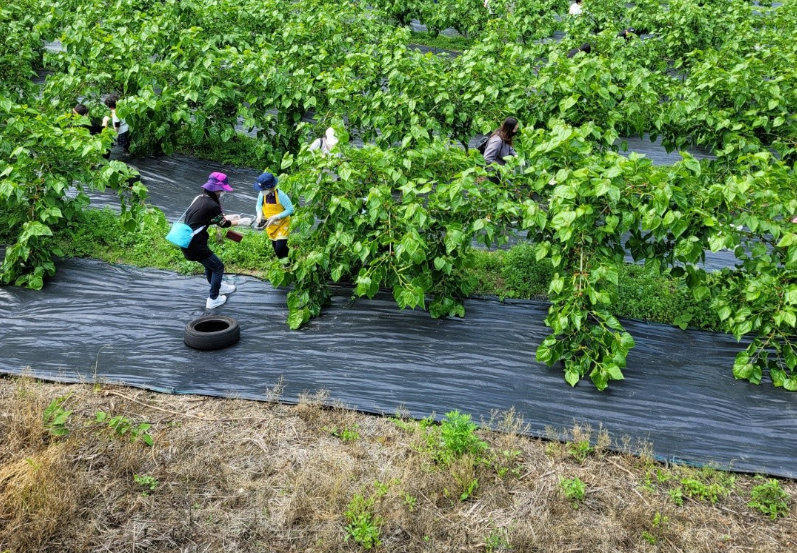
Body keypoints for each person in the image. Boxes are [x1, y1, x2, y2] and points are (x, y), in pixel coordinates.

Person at [181, 172, 238, 309]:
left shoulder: (199, 198)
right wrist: (240, 221)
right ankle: (213, 298)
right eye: (223, 189)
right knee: (218, 267)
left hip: (187, 240)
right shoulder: (213, 205)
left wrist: (230, 218)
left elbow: (207, 219)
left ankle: (217, 287)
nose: (223, 192)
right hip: (195, 245)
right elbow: (223, 224)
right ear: (218, 189)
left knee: (210, 265)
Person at [253, 172, 294, 260]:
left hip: (282, 224)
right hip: (270, 224)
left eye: (263, 189)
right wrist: (259, 215)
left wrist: (276, 217)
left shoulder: (281, 195)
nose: (261, 191)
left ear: (271, 187)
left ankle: (286, 264)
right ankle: (285, 260)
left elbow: (290, 209)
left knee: (279, 247)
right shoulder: (262, 194)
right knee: (275, 247)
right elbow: (258, 206)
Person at [483, 117, 519, 183]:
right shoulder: (497, 140)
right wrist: (500, 168)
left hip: (501, 170)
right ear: (509, 129)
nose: (515, 131)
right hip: (494, 172)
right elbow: (487, 158)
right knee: (498, 188)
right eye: (514, 129)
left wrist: (515, 155)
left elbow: (509, 147)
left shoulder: (505, 135)